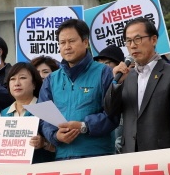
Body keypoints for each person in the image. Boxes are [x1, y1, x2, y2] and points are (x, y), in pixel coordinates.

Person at [105, 17, 170, 152]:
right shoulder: (127, 76)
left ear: (154, 40)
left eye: (138, 39)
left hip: (162, 154)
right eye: (128, 41)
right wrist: (117, 83)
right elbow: (111, 111)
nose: (133, 45)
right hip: (130, 154)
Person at [38, 19, 119, 160]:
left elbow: (113, 114)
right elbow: (43, 117)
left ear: (85, 42)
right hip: (62, 157)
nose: (67, 47)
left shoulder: (104, 72)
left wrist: (84, 126)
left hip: (98, 156)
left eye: (71, 41)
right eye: (62, 43)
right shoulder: (52, 79)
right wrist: (55, 136)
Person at [1, 62, 55, 163]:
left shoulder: (45, 109)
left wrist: (44, 143)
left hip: (40, 171)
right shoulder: (4, 113)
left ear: (34, 84)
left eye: (22, 78)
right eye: (12, 79)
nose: (17, 83)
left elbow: (60, 145)